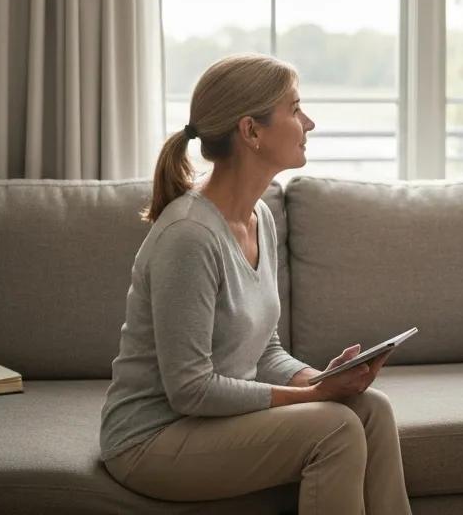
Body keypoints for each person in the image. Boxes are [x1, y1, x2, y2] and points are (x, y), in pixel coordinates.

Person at [99, 54, 412, 514]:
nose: (310, 122)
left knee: (373, 410)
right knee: (335, 426)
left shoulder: (259, 216)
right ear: (251, 132)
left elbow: (263, 350)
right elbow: (190, 390)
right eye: (295, 108)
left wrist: (322, 378)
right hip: (153, 438)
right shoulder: (190, 235)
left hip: (209, 423)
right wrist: (313, 397)